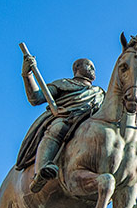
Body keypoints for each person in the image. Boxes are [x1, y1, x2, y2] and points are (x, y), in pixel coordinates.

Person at [16, 55, 105, 192]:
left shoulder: (100, 93)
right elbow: (36, 98)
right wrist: (27, 74)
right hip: (67, 118)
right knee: (58, 128)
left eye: (93, 67)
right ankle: (40, 173)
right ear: (77, 68)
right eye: (89, 66)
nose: (93, 69)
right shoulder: (63, 83)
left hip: (89, 123)